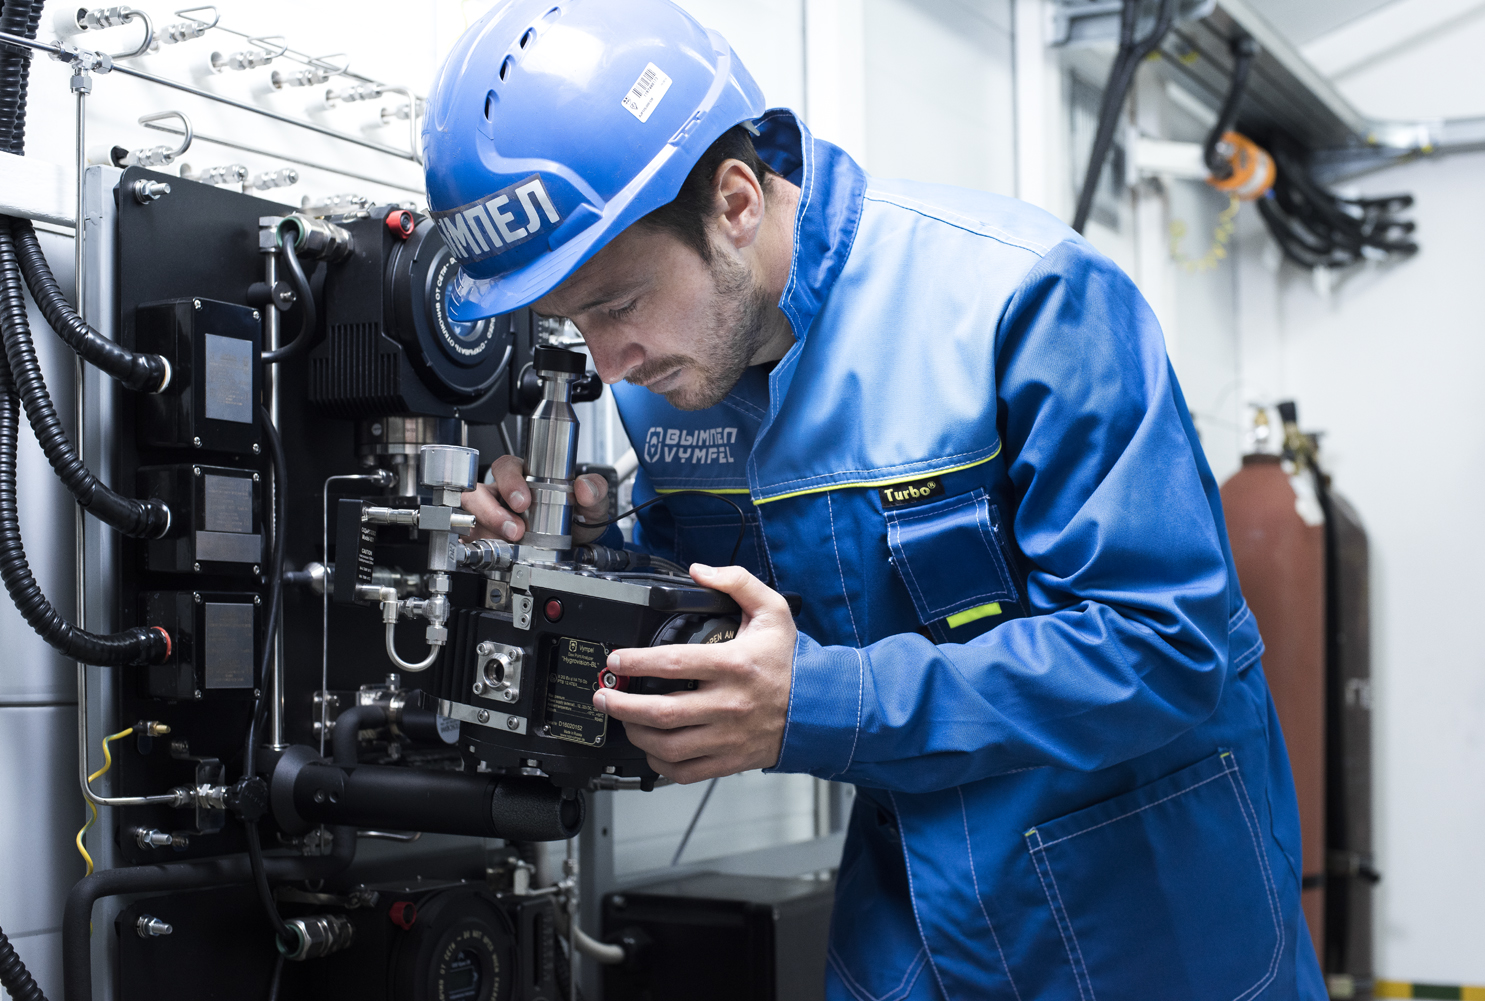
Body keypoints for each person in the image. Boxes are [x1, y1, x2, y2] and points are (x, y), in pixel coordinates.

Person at [428, 1, 1326, 997]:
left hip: (1142, 905)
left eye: (619, 304)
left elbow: (1166, 648)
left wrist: (813, 703)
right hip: (912, 910)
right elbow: (726, 591)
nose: (611, 362)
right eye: (571, 321)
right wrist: (591, 542)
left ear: (734, 202)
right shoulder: (667, 380)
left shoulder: (1023, 299)